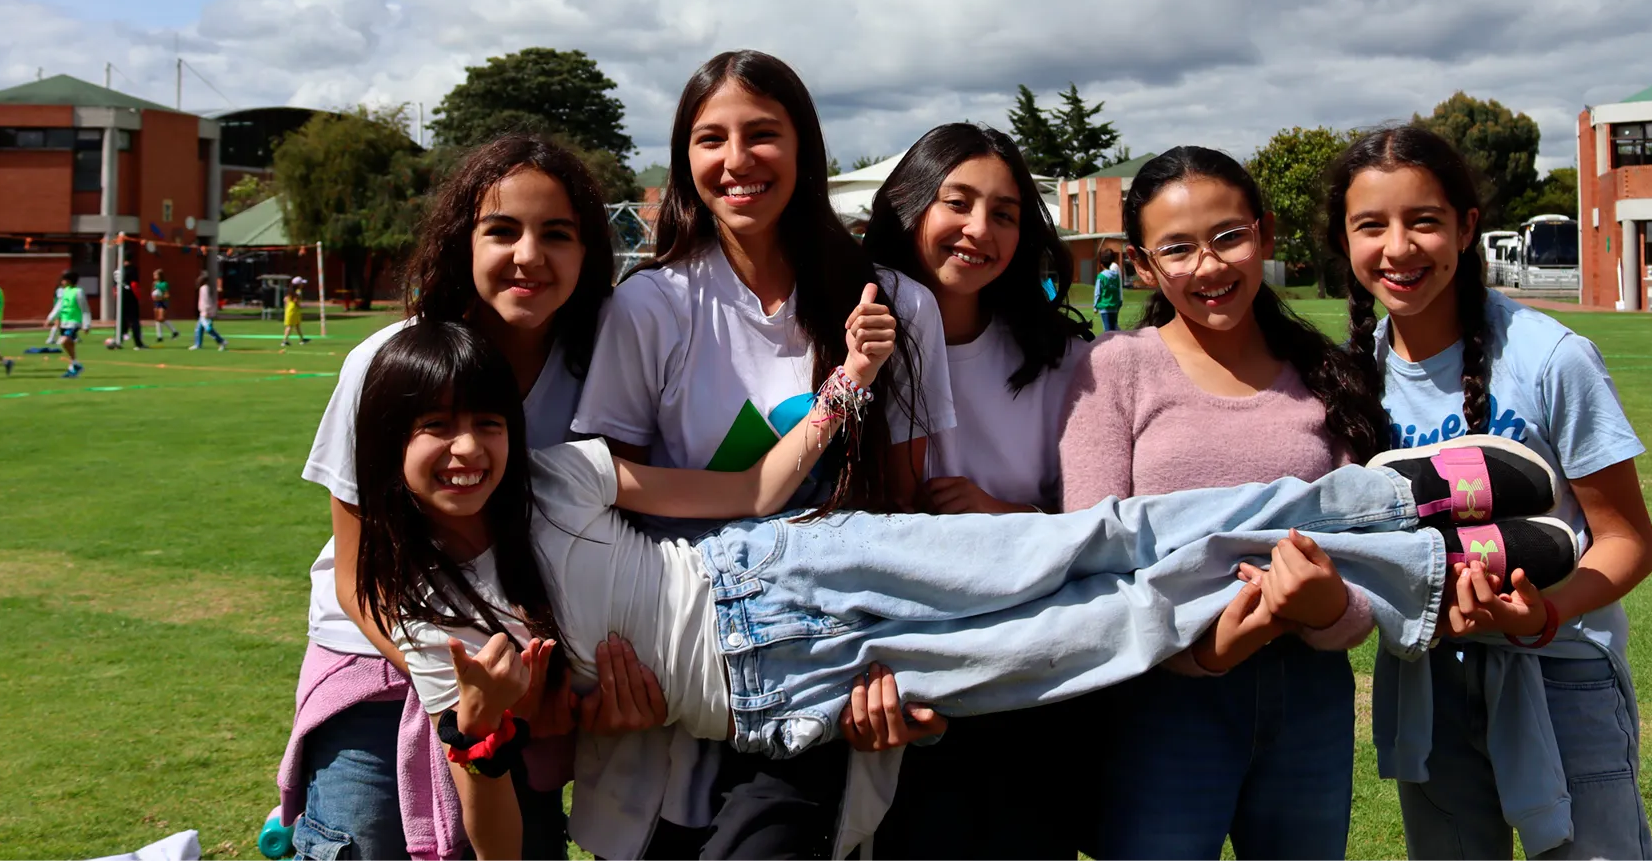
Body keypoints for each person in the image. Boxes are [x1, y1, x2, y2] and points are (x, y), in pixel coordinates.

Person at [358, 319, 1575, 861]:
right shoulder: (426, 621)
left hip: (785, 566)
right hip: (785, 690)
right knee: (1111, 629)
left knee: (1094, 542)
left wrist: (844, 387)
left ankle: (1385, 497)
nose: (465, 452)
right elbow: (509, 814)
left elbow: (746, 492)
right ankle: (1433, 559)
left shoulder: (562, 474)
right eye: (433, 433)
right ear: (385, 448)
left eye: (481, 424)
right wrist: (494, 727)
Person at [567, 50, 955, 860]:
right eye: (711, 139)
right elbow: (612, 502)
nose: (736, 161)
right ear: (685, 160)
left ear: (805, 149)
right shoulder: (651, 304)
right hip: (683, 661)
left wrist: (885, 660)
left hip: (826, 662)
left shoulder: (892, 301)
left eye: (762, 135)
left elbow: (905, 511)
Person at [284, 135, 666, 861]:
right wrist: (454, 696)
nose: (530, 255)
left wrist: (541, 689)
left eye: (558, 233)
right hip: (381, 664)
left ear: (590, 255)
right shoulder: (389, 361)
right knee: (366, 843)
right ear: (463, 241)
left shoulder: (602, 376)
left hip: (522, 674)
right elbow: (354, 572)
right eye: (502, 230)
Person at [1058, 146, 1432, 859]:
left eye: (1229, 236)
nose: (1210, 266)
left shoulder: (1326, 374)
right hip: (1158, 703)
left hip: (1309, 702)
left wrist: (1328, 608)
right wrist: (1214, 648)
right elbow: (1095, 559)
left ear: (1263, 233)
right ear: (1142, 265)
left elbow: (1374, 557)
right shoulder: (1116, 370)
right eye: (1178, 248)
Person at [1326, 125, 1652, 860]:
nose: (1399, 247)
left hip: (1561, 673)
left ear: (1467, 226)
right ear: (1344, 239)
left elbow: (1629, 540)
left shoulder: (1551, 358)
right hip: (1427, 681)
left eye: (1424, 220)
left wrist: (1545, 612)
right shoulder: (1349, 377)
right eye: (1371, 225)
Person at [858, 122, 1094, 859]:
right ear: (908, 208)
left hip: (1029, 672)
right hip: (902, 671)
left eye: (1005, 212)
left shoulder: (1062, 358)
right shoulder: (852, 346)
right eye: (956, 203)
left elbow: (1095, 517)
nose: (979, 230)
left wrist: (1005, 516)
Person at [45, 270, 90, 378]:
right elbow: (59, 306)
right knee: (69, 344)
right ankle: (74, 366)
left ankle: (74, 364)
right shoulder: (65, 291)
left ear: (69, 281)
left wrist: (86, 324)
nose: (62, 282)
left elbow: (85, 309)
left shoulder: (78, 292)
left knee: (65, 341)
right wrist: (50, 318)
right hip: (64, 323)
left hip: (74, 322)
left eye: (64, 280)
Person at [111, 267, 146, 350]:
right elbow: (134, 285)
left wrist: (116, 297)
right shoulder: (132, 270)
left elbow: (114, 287)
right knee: (134, 320)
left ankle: (118, 341)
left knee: (121, 320)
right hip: (130, 298)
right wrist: (138, 297)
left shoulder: (117, 270)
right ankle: (138, 343)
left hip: (120, 299)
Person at [190, 276, 228, 350]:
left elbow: (206, 300)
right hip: (203, 312)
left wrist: (206, 311)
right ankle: (198, 344)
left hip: (205, 312)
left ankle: (222, 341)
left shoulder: (204, 288)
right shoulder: (204, 288)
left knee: (208, 329)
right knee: (199, 329)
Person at [1093, 246, 1124, 332]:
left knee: (1107, 331)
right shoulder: (1115, 276)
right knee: (1114, 328)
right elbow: (1117, 290)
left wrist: (1095, 306)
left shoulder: (1101, 277)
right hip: (1114, 306)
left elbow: (1097, 292)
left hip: (1105, 307)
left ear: (1101, 264)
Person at [282, 276, 310, 350]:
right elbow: (295, 300)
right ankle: (284, 340)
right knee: (290, 326)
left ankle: (302, 339)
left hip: (290, 309)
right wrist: (301, 306)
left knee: (297, 325)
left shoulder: (289, 291)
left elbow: (285, 300)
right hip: (293, 310)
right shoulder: (297, 292)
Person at [152, 269, 181, 340]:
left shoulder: (164, 284)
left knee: (161, 318)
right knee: (157, 319)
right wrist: (154, 297)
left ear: (160, 276)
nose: (154, 276)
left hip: (163, 302)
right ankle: (160, 336)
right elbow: (153, 293)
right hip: (157, 302)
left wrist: (160, 297)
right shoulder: (154, 283)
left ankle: (174, 332)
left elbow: (167, 295)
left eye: (156, 275)